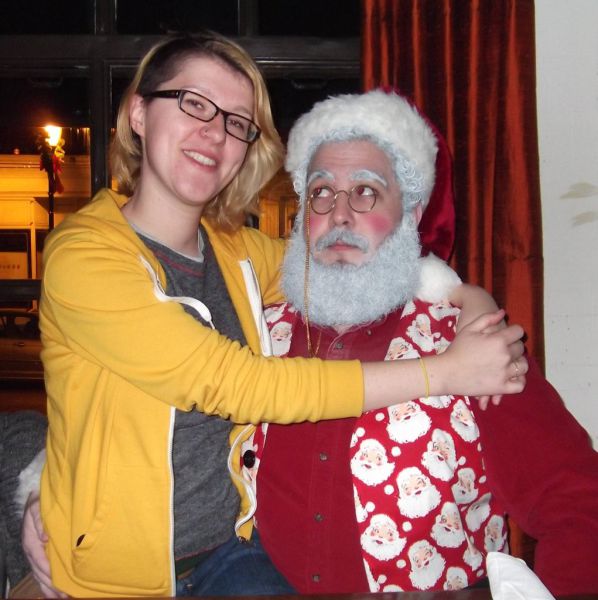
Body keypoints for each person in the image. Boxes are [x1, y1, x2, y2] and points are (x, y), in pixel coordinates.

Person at [18, 33, 527, 599]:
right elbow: (236, 384)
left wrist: (467, 297)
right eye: (193, 103)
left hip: (230, 550)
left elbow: (346, 257)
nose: (214, 132)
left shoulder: (237, 252)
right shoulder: (84, 256)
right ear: (138, 112)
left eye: (236, 121)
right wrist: (444, 372)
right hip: (116, 574)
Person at [245, 89, 598, 596]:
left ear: (410, 214)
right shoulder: (257, 332)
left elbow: (577, 503)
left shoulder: (470, 341)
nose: (339, 214)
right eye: (321, 192)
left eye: (365, 191)